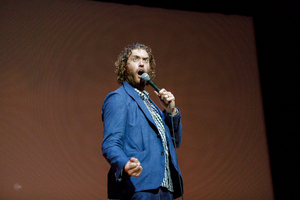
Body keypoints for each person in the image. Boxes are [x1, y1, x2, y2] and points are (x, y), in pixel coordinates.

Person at [101, 43, 183, 200]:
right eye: (135, 59)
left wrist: (171, 111)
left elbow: (175, 141)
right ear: (124, 67)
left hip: (167, 190)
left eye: (145, 60)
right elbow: (110, 143)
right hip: (140, 187)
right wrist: (124, 164)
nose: (141, 63)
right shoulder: (119, 98)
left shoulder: (152, 105)